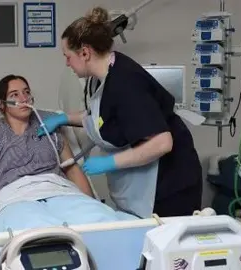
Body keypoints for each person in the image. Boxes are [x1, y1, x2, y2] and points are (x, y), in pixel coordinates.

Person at [37, 7, 203, 218]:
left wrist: (109, 163)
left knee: (162, 246)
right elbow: (103, 116)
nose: (66, 63)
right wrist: (64, 118)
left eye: (68, 56)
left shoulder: (126, 83)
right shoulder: (105, 74)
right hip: (144, 184)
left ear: (85, 53)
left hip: (169, 185)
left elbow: (162, 142)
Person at [0, 74, 137, 231]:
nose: (23, 98)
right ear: (2, 104)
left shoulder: (47, 123)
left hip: (58, 190)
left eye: (26, 92)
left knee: (100, 221)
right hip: (13, 197)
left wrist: (90, 201)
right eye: (14, 95)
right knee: (38, 231)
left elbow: (71, 167)